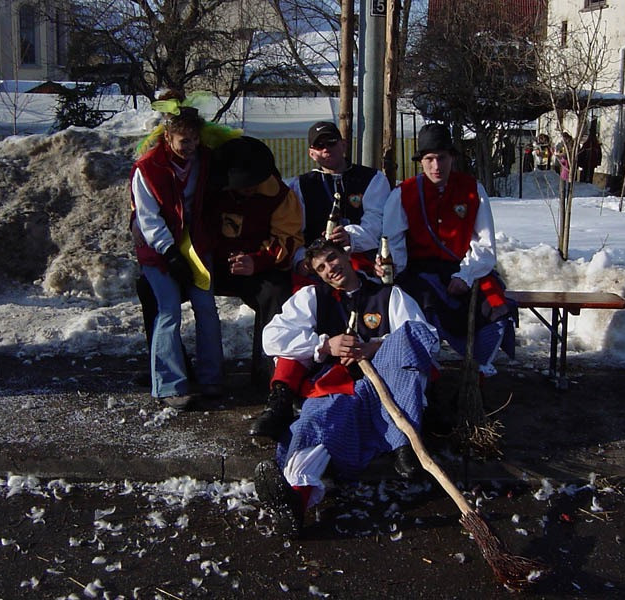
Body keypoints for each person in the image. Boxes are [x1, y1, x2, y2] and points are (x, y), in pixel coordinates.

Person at [253, 239, 439, 537]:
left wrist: (375, 346)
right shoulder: (314, 297)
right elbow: (272, 337)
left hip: (386, 384)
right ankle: (295, 502)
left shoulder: (388, 294)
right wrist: (325, 345)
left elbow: (424, 337)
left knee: (409, 334)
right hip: (337, 384)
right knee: (317, 421)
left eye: (332, 258)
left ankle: (404, 446)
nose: (330, 268)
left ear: (346, 254)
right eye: (321, 267)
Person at [382, 123, 515, 380]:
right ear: (421, 161)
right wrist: (391, 268)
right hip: (419, 272)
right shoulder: (403, 194)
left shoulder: (472, 189)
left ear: (452, 157)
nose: (436, 166)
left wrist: (465, 275)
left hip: (463, 267)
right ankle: (424, 373)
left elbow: (484, 245)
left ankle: (477, 372)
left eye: (442, 158)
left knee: (492, 304)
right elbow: (394, 244)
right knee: (420, 305)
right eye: (429, 159)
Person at [130, 92, 226, 409]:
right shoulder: (148, 168)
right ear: (168, 137)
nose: (191, 146)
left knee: (206, 308)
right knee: (169, 309)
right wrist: (169, 253)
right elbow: (147, 217)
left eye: (195, 139)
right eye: (184, 140)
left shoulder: (204, 160)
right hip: (159, 250)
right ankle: (169, 385)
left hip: (197, 245)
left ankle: (211, 377)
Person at [206, 136, 304, 382]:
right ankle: (171, 368)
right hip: (209, 265)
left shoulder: (280, 195)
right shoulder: (208, 190)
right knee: (153, 288)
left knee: (276, 292)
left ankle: (270, 372)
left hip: (256, 270)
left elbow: (289, 239)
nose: (249, 188)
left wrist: (257, 261)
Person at [290, 121, 390, 273]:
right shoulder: (301, 185)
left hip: (362, 260)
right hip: (319, 264)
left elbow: (377, 222)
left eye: (331, 142)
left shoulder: (372, 178)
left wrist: (351, 237)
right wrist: (301, 261)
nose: (326, 149)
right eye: (319, 145)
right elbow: (295, 232)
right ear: (312, 153)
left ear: (343, 145)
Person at [555, 131, 575, 205]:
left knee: (566, 175)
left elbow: (569, 153)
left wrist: (562, 155)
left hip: (568, 162)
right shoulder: (565, 144)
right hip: (565, 161)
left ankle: (566, 186)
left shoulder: (570, 143)